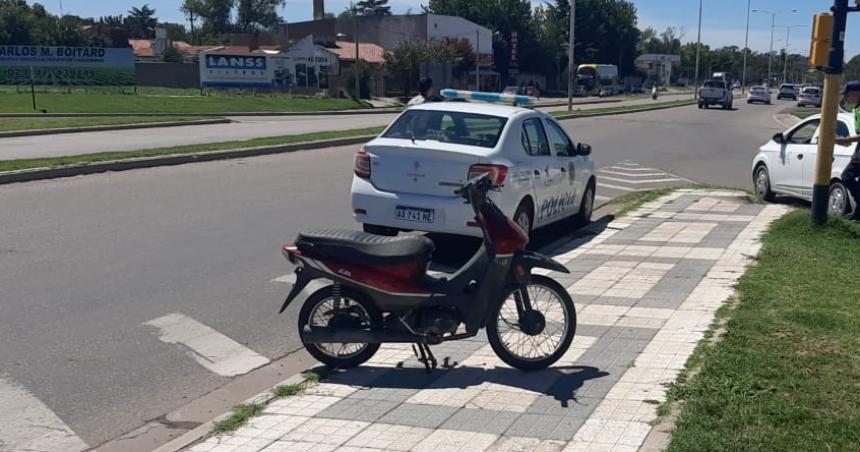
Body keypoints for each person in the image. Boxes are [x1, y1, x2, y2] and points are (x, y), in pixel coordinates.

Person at [834, 81, 860, 219]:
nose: (846, 99)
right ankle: (858, 214)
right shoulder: (857, 108)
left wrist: (846, 140)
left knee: (847, 176)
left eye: (848, 95)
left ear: (857, 93)